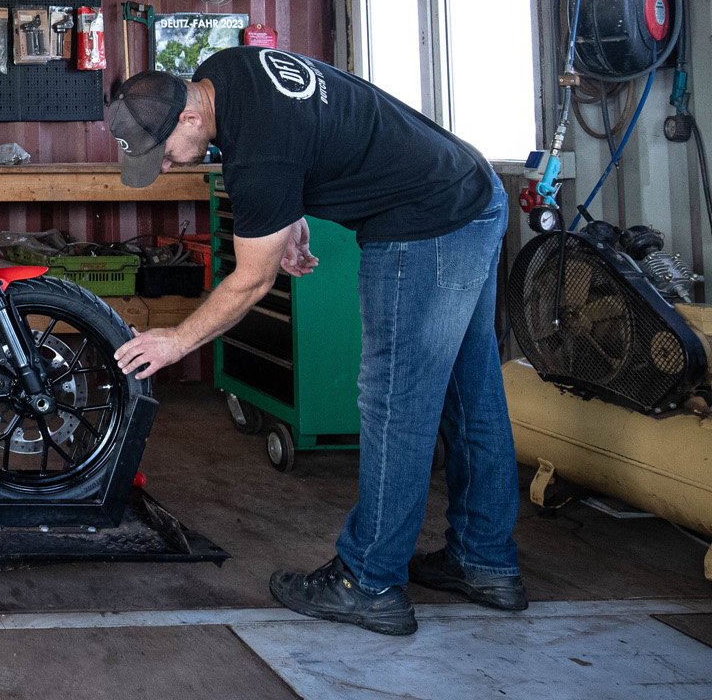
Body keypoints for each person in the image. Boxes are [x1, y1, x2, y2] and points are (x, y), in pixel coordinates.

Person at [105, 47, 523, 636]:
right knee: (469, 389)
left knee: (395, 404)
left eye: (163, 153)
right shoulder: (225, 71)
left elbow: (252, 280)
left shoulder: (259, 153)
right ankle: (484, 562)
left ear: (190, 118)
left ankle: (369, 582)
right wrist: (290, 212)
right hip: (470, 195)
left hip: (424, 227)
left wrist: (176, 340)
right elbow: (308, 133)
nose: (167, 167)